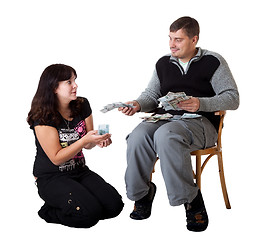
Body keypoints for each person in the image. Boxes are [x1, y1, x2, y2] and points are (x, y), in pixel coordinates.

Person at [119, 16, 239, 232]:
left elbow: (232, 98)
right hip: (165, 119)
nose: (172, 44)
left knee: (167, 135)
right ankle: (142, 194)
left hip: (200, 123)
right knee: (137, 136)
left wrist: (200, 103)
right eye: (170, 38)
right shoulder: (163, 63)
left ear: (194, 40)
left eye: (178, 39)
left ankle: (192, 201)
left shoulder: (213, 61)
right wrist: (137, 104)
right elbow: (152, 95)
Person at [27, 64, 124, 228]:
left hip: (79, 171)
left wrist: (97, 140)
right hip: (51, 177)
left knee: (114, 206)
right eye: (69, 82)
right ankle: (49, 211)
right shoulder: (43, 116)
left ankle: (79, 203)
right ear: (54, 87)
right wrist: (84, 141)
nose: (75, 85)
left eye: (74, 80)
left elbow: (87, 145)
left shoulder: (82, 104)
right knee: (88, 216)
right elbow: (56, 158)